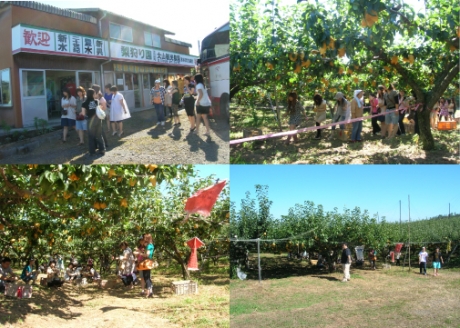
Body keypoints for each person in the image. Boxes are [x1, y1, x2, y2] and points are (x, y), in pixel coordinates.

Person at [82, 88, 105, 156]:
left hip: (90, 120)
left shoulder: (84, 103)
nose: (95, 94)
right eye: (95, 93)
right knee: (99, 135)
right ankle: (102, 149)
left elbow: (83, 114)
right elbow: (98, 109)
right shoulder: (96, 101)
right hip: (98, 119)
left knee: (91, 136)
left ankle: (92, 152)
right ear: (92, 94)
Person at [92, 85, 109, 150]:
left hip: (99, 116)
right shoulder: (93, 98)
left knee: (100, 131)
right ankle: (98, 144)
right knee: (97, 131)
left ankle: (105, 143)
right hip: (94, 116)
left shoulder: (101, 98)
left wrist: (99, 107)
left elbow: (104, 108)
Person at [142, 233, 155, 297]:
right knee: (147, 277)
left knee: (146, 277)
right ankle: (150, 291)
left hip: (147, 262)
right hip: (149, 261)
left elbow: (147, 254)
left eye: (145, 237)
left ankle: (149, 291)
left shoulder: (149, 246)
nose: (144, 239)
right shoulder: (150, 245)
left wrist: (140, 253)